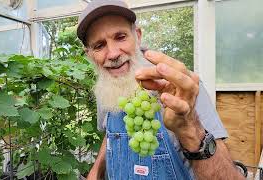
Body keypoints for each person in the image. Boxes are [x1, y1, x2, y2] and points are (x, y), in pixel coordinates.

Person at [76, 0, 245, 179]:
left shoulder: (181, 89)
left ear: (138, 36)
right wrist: (95, 172)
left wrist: (190, 129)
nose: (113, 53)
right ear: (90, 55)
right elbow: (111, 134)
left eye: (120, 37)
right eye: (99, 45)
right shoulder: (106, 88)